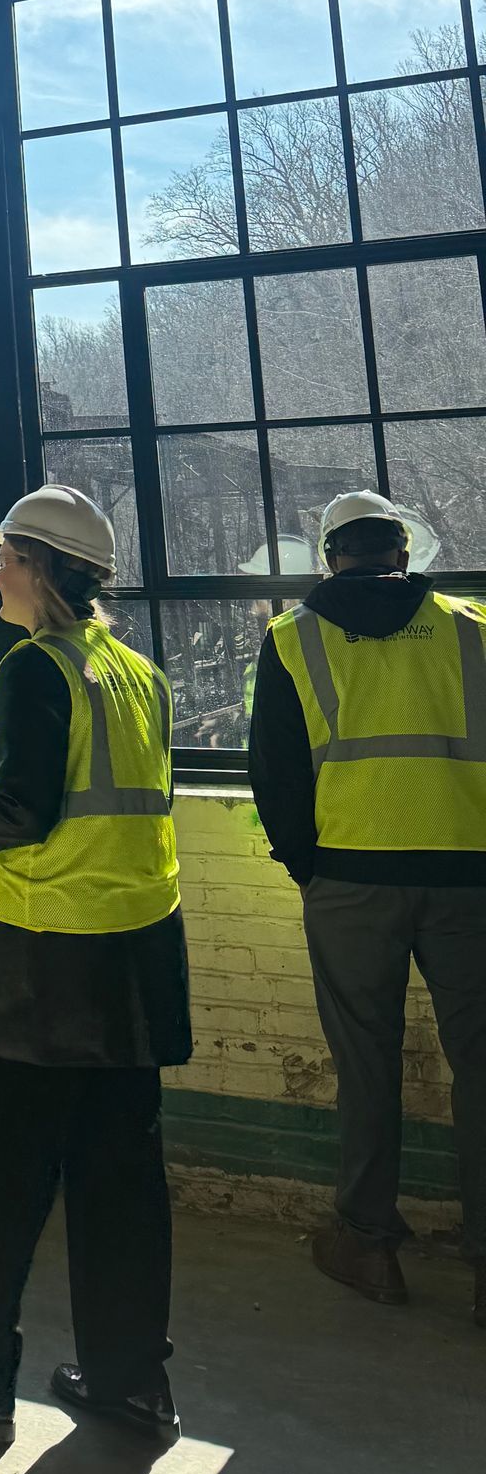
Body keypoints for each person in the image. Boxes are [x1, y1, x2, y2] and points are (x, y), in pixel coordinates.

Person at [0, 484, 189, 1439]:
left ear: (46, 571)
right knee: (121, 1178)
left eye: (9, 556)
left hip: (44, 959)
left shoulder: (31, 670)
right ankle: (130, 1379)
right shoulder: (138, 673)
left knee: (6, 1175)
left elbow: (25, 813)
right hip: (139, 951)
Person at [248, 489, 486, 1326]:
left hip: (349, 881)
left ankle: (369, 1243)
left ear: (329, 557)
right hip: (471, 878)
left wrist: (309, 869)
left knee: (366, 1064)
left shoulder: (292, 638)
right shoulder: (473, 628)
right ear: (404, 553)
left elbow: (273, 773)